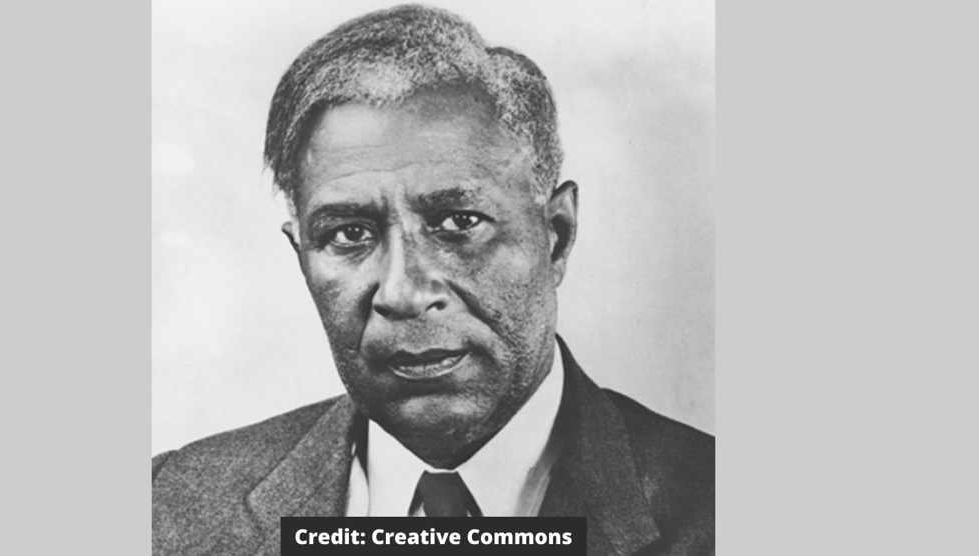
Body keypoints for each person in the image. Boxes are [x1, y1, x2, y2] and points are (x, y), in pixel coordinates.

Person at [152, 5, 713, 555]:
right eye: (349, 234)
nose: (404, 293)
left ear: (557, 236)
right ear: (301, 255)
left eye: (459, 222)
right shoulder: (163, 509)